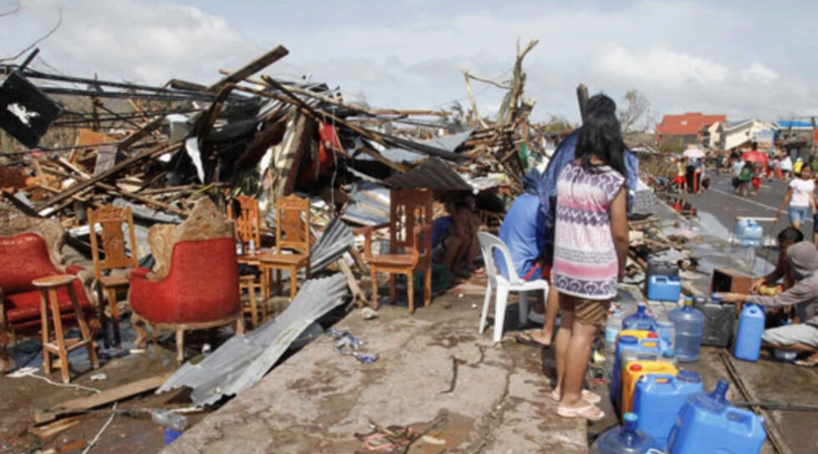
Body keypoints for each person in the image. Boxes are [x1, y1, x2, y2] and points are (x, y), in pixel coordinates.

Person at [551, 93, 630, 421]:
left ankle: (563, 386)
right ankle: (570, 399)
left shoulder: (568, 171)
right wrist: (621, 266)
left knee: (567, 326)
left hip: (565, 264)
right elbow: (621, 234)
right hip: (593, 270)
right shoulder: (613, 181)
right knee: (586, 332)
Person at [716, 241, 818, 367]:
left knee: (768, 337)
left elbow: (774, 301)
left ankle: (815, 349)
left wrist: (740, 297)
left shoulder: (810, 284)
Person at [495, 170, 549, 336]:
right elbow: (545, 241)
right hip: (519, 271)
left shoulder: (519, 200)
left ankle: (540, 308)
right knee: (556, 270)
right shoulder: (540, 206)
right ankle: (543, 311)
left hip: (502, 265)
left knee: (542, 259)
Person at [431, 198, 480, 278]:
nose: (465, 217)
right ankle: (445, 270)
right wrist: (455, 216)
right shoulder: (444, 221)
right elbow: (460, 234)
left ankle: (456, 267)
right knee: (456, 240)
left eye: (467, 215)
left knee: (470, 239)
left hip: (440, 251)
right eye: (462, 214)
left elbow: (474, 234)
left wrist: (470, 221)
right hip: (431, 252)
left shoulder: (461, 224)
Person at [750, 227, 804, 294]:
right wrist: (761, 280)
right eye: (781, 247)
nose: (782, 250)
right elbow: (779, 272)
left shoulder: (803, 261)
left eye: (784, 247)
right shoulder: (783, 255)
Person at [775, 165, 815, 230]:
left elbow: (811, 196)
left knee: (797, 229)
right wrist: (780, 209)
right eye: (804, 171)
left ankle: (788, 237)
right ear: (801, 171)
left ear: (810, 173)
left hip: (805, 208)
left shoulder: (810, 183)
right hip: (794, 207)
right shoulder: (795, 182)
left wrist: (813, 207)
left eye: (808, 171)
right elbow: (787, 196)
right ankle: (787, 236)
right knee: (797, 228)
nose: (806, 173)